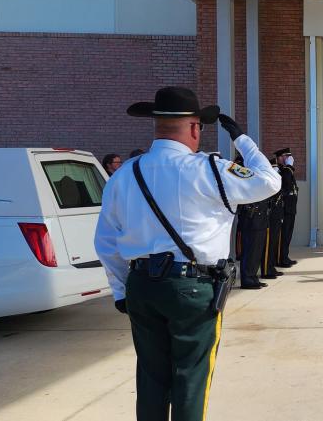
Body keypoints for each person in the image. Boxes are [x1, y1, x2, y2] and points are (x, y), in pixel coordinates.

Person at [94, 87, 281, 421]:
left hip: (141, 285)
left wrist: (121, 289)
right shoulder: (210, 169)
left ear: (157, 125)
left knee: (151, 378)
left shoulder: (124, 174)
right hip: (193, 289)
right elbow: (270, 181)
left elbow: (106, 241)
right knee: (191, 379)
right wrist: (242, 140)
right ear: (195, 128)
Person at [234, 155, 270, 290]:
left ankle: (253, 276)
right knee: (250, 249)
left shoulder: (254, 171)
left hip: (259, 217)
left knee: (256, 250)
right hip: (251, 217)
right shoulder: (241, 169)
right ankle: (247, 279)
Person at [274, 148, 299, 268]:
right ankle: (280, 259)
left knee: (288, 234)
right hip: (283, 207)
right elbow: (287, 183)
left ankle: (285, 256)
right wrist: (289, 166)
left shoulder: (286, 169)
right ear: (279, 157)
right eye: (286, 156)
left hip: (290, 207)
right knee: (283, 234)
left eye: (289, 156)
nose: (288, 158)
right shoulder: (279, 169)